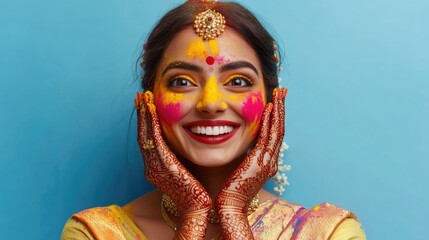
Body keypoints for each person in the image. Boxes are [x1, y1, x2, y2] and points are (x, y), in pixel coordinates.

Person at [61, 1, 366, 239]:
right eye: (182, 82)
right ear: (148, 102)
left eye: (238, 82)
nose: (210, 103)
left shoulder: (329, 233)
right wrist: (193, 215)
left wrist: (233, 213)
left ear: (272, 101)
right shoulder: (95, 233)